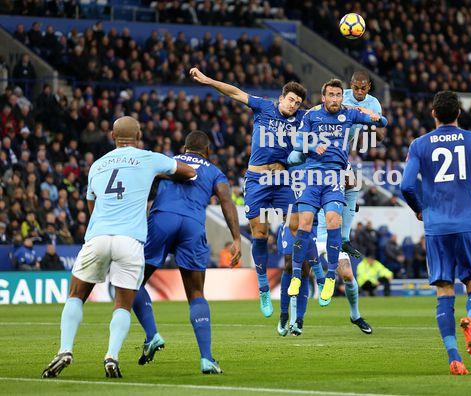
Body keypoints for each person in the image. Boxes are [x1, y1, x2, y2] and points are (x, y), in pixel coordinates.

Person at [41, 116, 196, 379]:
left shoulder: (97, 165)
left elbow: (92, 205)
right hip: (130, 240)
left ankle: (64, 350)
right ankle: (111, 356)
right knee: (123, 304)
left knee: (76, 295)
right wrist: (159, 173)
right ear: (138, 136)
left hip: (98, 236)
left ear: (113, 137)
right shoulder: (148, 158)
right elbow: (188, 172)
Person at [401, 91, 471, 375]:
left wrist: (420, 209)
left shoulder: (419, 145)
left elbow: (406, 186)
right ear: (459, 113)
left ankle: (454, 358)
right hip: (469, 223)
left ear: (433, 113)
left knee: (444, 289)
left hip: (437, 226)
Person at [190, 67, 306, 318]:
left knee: (296, 225)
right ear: (282, 97)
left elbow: (328, 114)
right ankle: (264, 287)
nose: (294, 105)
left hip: (283, 180)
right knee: (260, 233)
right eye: (291, 99)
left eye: (298, 103)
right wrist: (209, 79)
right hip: (257, 179)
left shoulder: (303, 118)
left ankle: (295, 277)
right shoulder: (264, 107)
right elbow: (234, 92)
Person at [132, 131, 241, 374]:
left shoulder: (169, 162)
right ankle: (206, 358)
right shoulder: (214, 171)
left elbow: (141, 177)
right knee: (195, 293)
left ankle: (152, 335)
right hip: (192, 224)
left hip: (162, 220)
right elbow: (226, 200)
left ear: (184, 147)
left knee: (133, 281)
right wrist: (235, 238)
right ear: (208, 151)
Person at [286, 78, 387, 305]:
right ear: (323, 97)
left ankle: (331, 276)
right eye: (330, 95)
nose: (334, 99)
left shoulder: (350, 114)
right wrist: (313, 146)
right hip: (312, 176)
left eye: (338, 95)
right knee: (304, 224)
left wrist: (375, 117)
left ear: (343, 97)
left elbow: (383, 122)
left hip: (334, 177)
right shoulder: (312, 115)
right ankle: (295, 277)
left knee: (333, 221)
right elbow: (297, 140)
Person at [340, 70, 385, 258]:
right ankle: (340, 237)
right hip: (328, 144)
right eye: (355, 87)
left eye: (363, 88)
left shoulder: (373, 104)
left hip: (343, 151)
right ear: (351, 85)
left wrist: (370, 123)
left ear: (368, 87)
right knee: (346, 187)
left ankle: (344, 239)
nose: (359, 91)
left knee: (352, 186)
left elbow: (380, 135)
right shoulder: (341, 95)